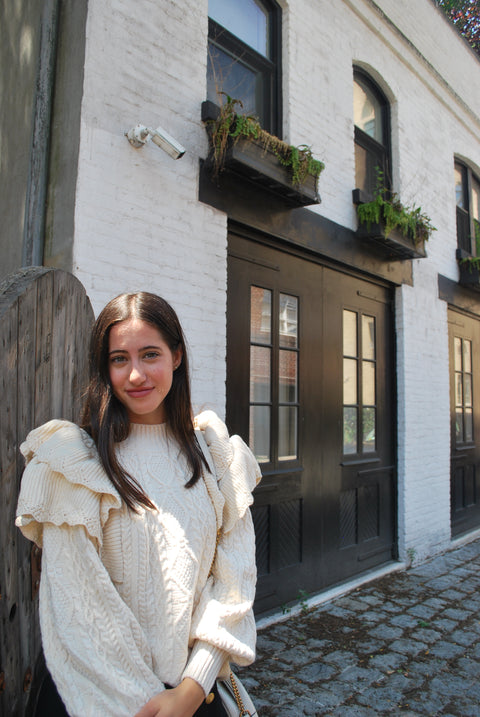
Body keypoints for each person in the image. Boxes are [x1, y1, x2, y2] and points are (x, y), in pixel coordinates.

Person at [16, 292, 261, 717]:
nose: (135, 375)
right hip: (92, 696)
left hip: (192, 695)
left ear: (177, 356)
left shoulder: (214, 454)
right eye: (118, 359)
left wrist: (190, 687)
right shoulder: (74, 460)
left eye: (150, 354)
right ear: (104, 366)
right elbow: (80, 606)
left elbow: (234, 581)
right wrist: (148, 703)